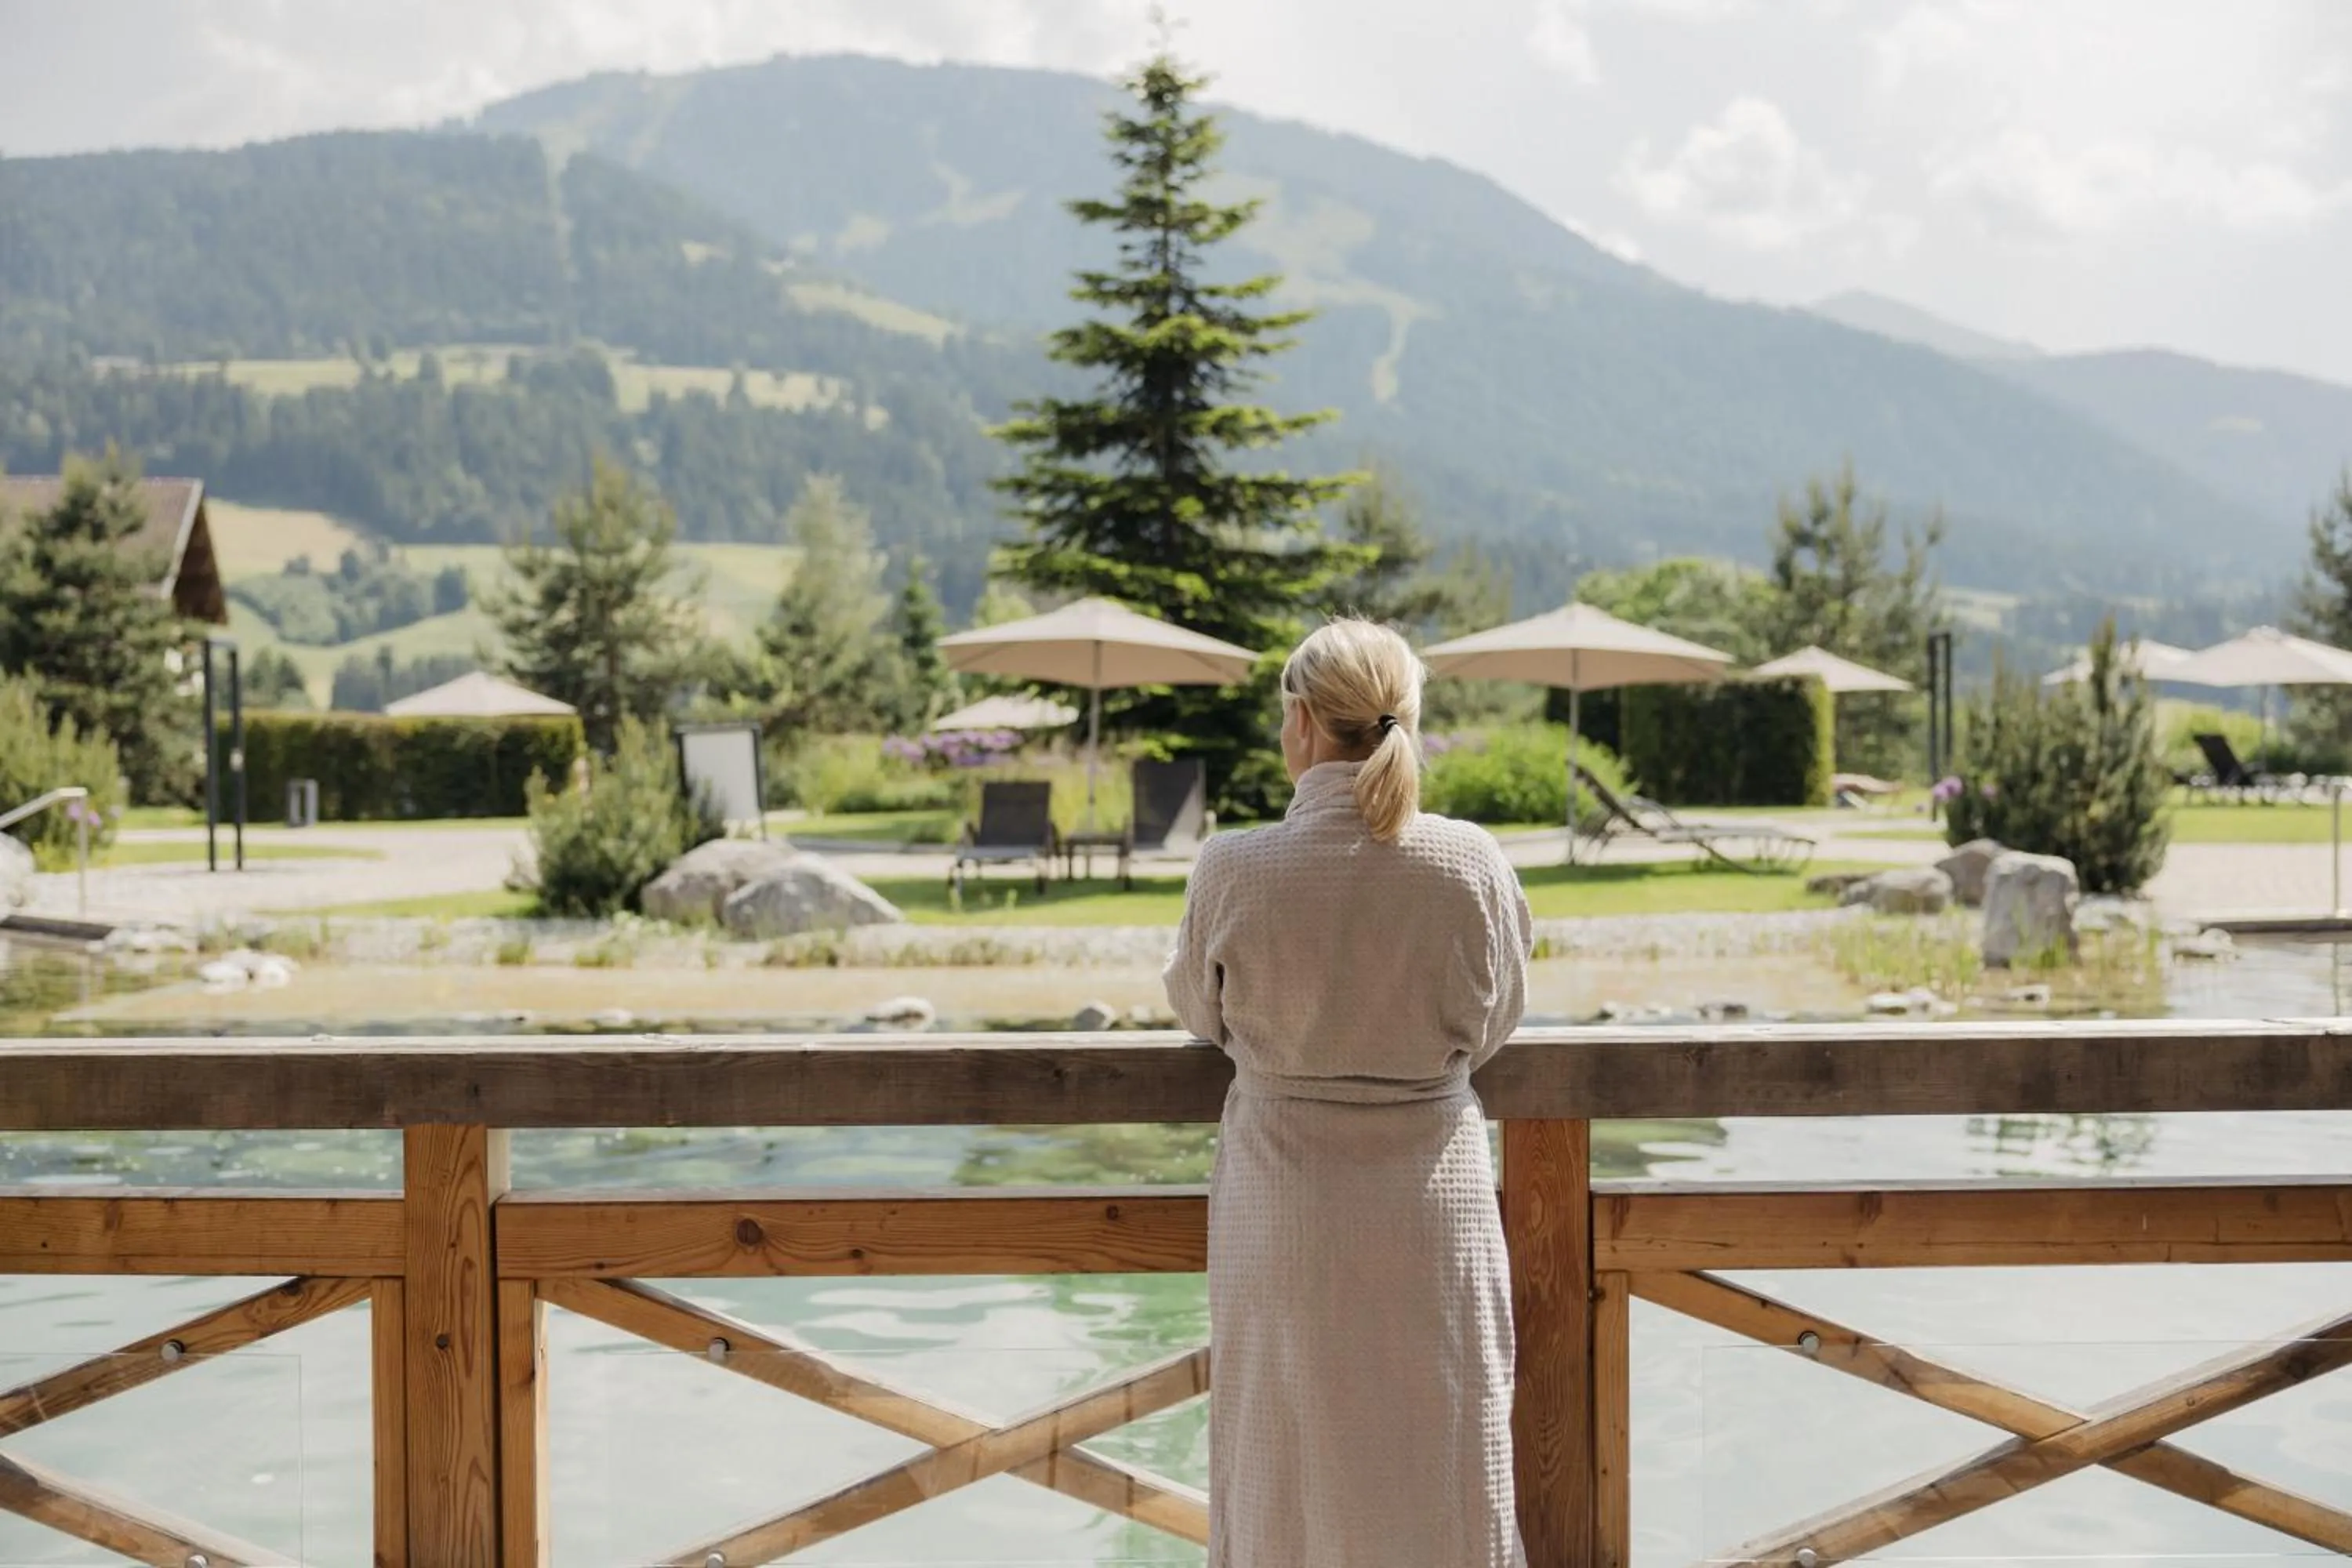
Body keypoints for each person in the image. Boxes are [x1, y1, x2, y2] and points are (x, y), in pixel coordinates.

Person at [1164, 618, 1534, 1568]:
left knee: (1280, 1464)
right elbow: (1495, 1024)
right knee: (1445, 1464)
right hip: (1432, 1217)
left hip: (1284, 1217)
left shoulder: (1234, 866)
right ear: (1406, 722)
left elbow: (1198, 1014)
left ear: (1298, 723)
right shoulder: (1468, 864)